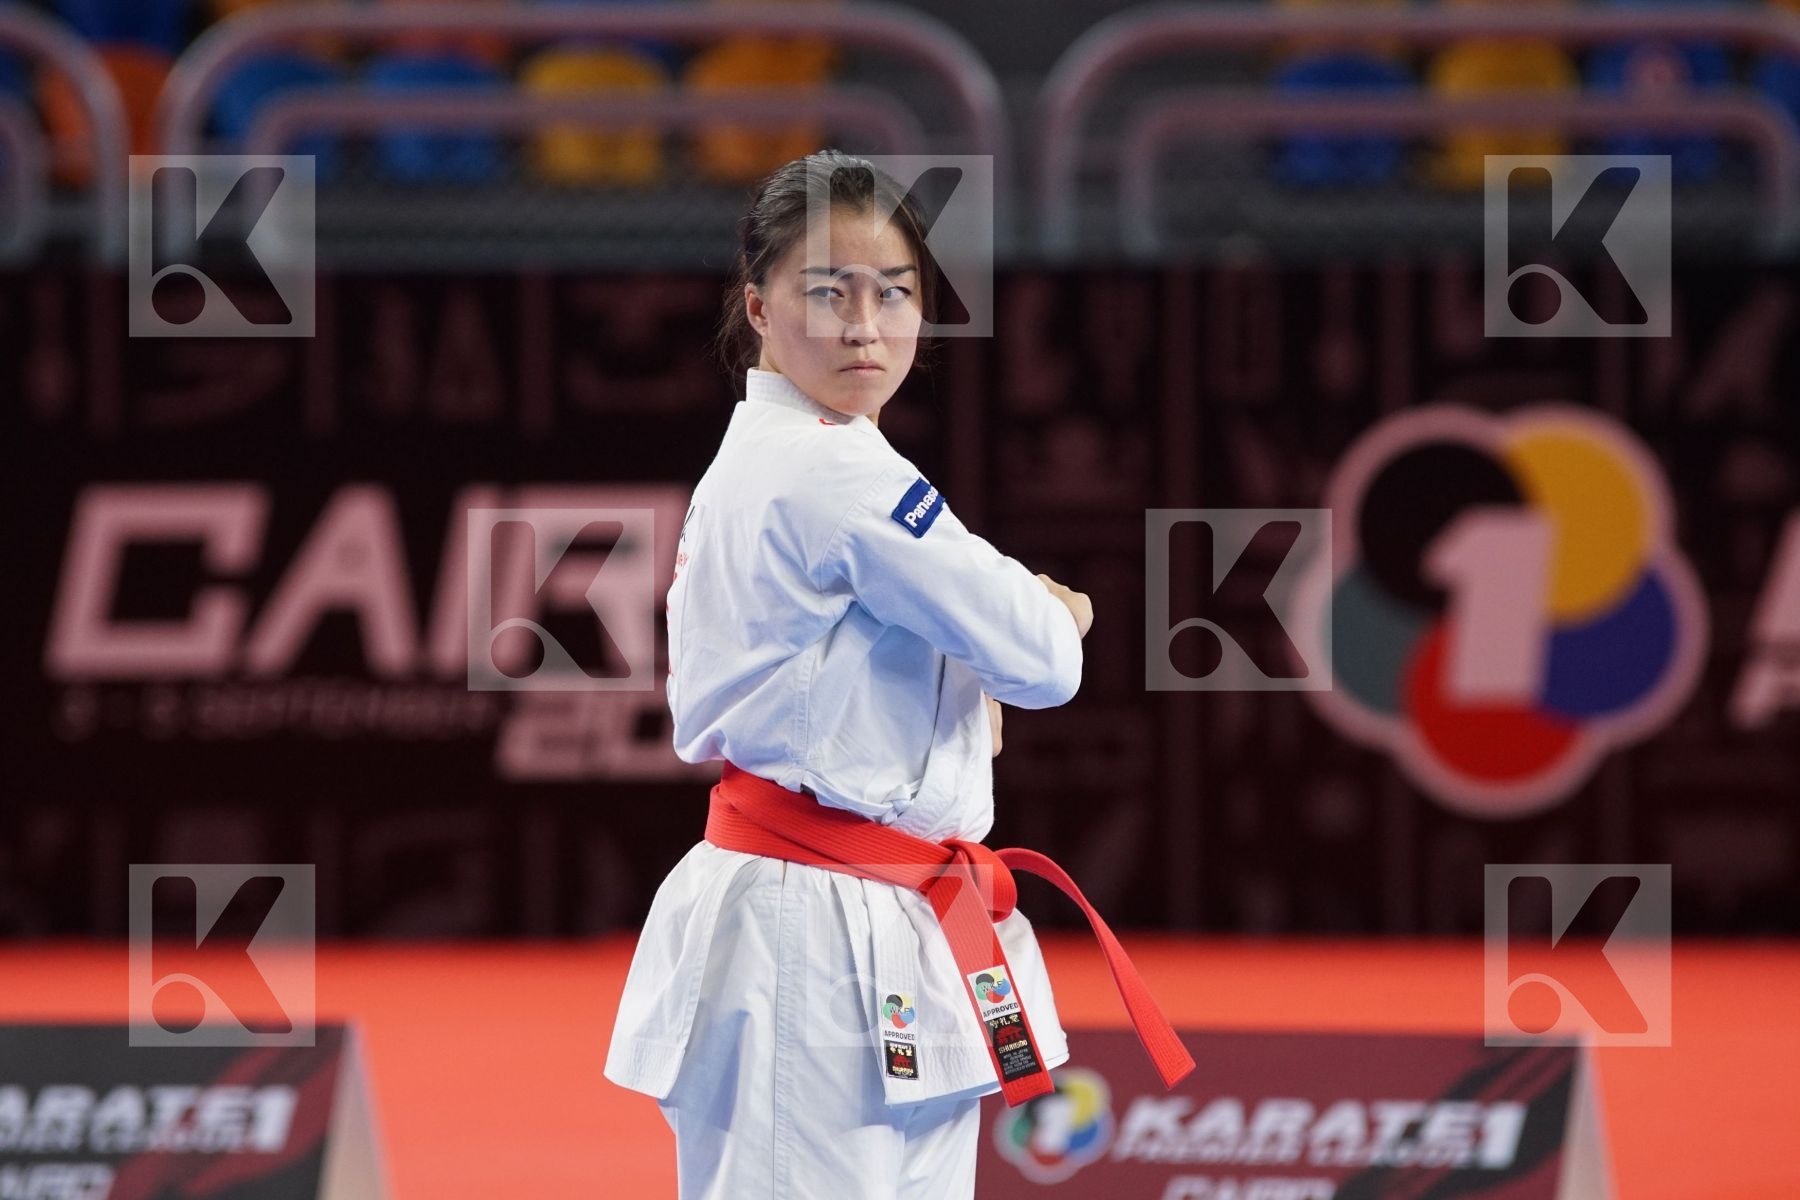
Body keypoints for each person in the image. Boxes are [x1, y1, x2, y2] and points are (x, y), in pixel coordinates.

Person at [604, 149, 1188, 1199]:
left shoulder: (774, 458)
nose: (865, 323)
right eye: (827, 291)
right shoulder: (833, 468)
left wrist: (966, 675)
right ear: (761, 307)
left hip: (856, 919)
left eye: (896, 292)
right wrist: (1037, 619)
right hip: (813, 931)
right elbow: (1046, 660)